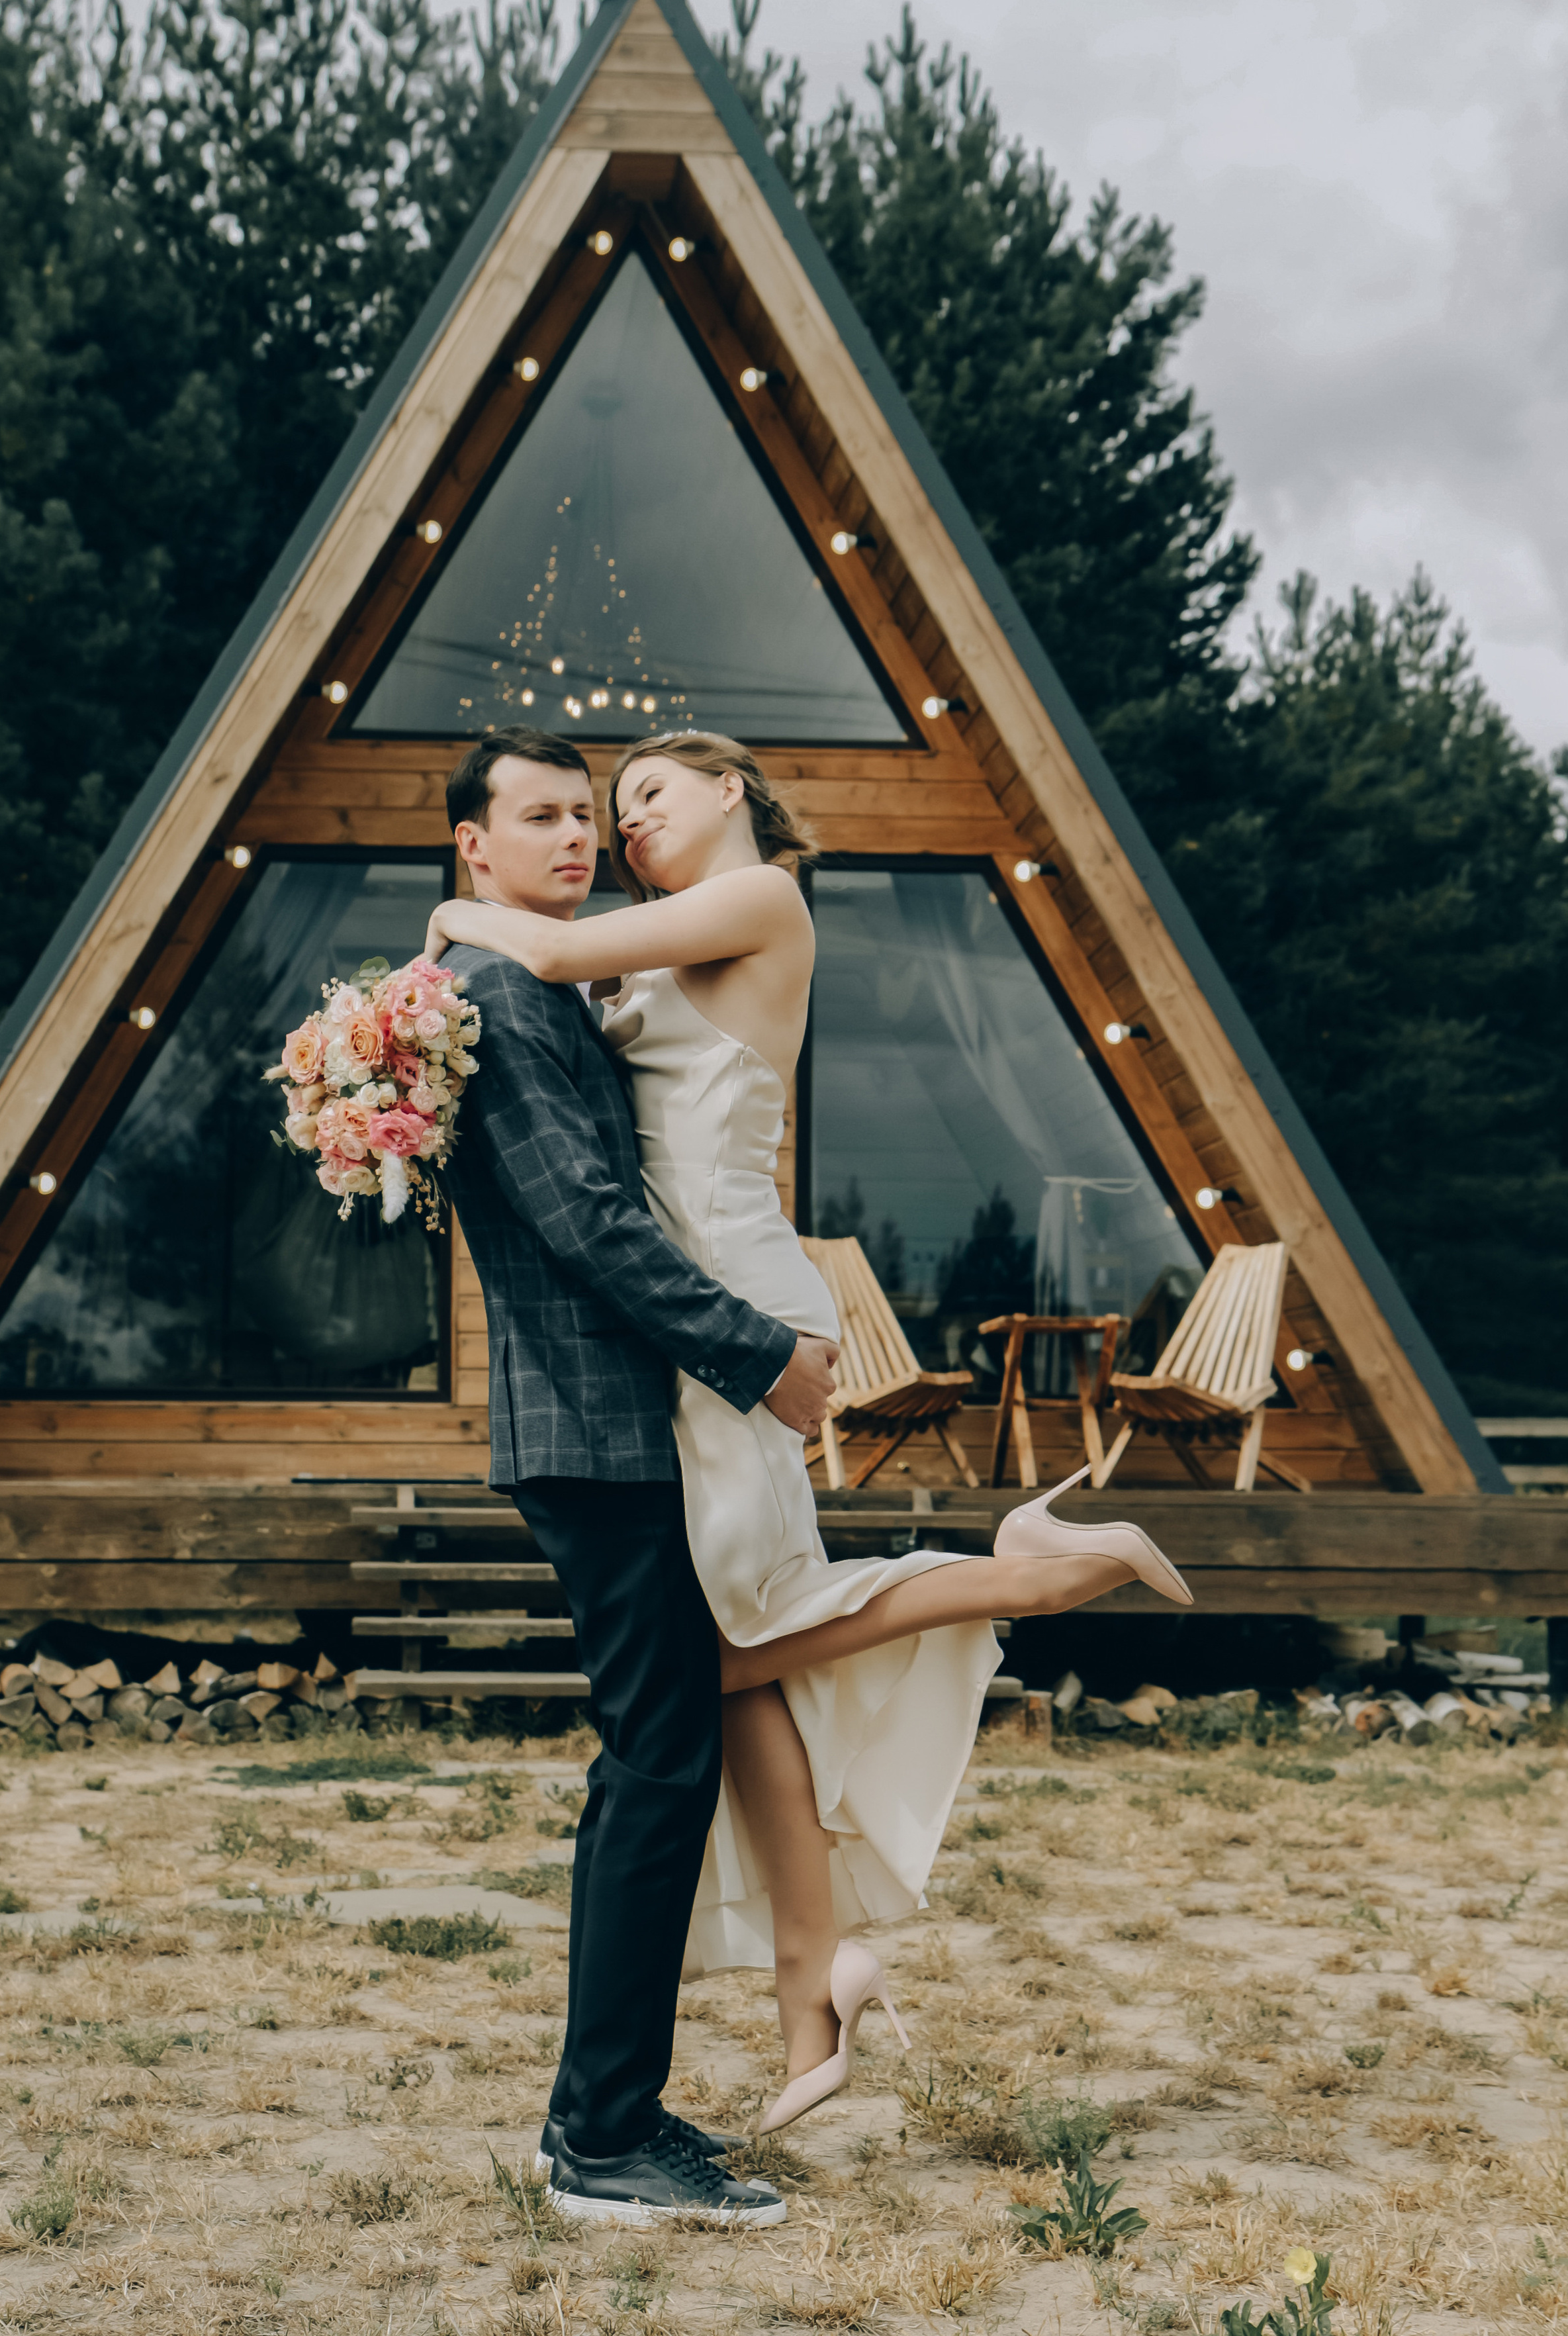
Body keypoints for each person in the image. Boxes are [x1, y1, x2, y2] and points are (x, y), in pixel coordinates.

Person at [428, 727, 1193, 2139]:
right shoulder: (658, 939)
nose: (623, 827)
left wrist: (451, 917)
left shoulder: (763, 896)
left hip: (734, 1293)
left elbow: (537, 961)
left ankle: (1012, 1571)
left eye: (644, 796)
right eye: (603, 811)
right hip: (696, 1315)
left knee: (728, 1639)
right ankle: (811, 1989)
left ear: (730, 790)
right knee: (724, 1670)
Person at [432, 727, 841, 2229]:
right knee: (658, 1767)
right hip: (601, 1432)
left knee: (679, 1742)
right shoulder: (504, 992)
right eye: (541, 818)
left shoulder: (550, 978)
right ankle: (601, 2136)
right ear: (471, 846)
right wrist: (755, 1357)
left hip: (629, 1421)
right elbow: (590, 1229)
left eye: (588, 817)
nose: (578, 839)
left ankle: (620, 2109)